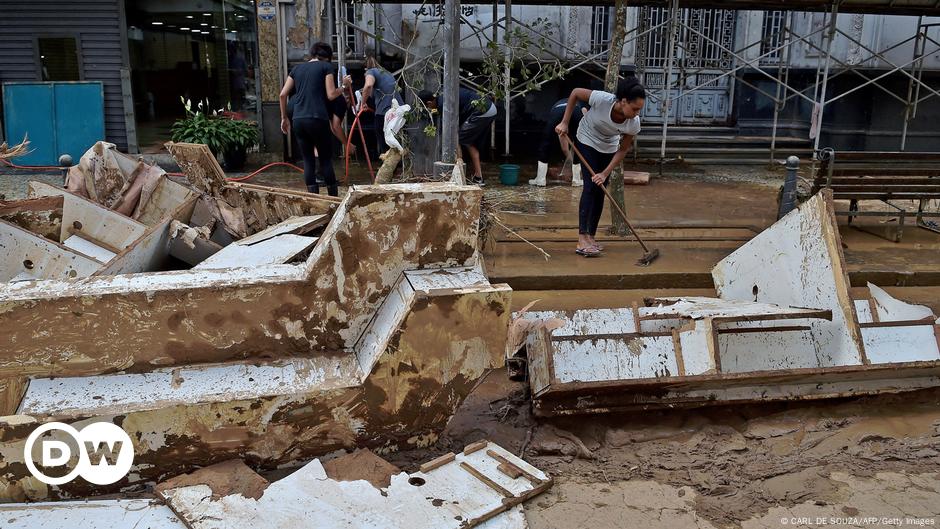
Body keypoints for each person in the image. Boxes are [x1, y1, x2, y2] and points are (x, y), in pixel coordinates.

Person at [555, 78, 645, 257]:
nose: (636, 113)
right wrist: (565, 122)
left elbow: (623, 149)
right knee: (589, 187)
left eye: (640, 110)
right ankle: (582, 239)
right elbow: (575, 92)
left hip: (609, 147)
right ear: (623, 101)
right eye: (634, 108)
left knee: (600, 189)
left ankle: (591, 236)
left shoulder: (633, 123)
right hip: (587, 138)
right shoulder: (602, 99)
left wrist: (605, 173)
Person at [278, 42, 351, 196]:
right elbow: (331, 94)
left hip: (298, 119)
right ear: (327, 57)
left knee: (308, 160)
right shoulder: (326, 67)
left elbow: (282, 94)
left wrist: (284, 118)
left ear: (312, 54)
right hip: (317, 118)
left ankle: (314, 199)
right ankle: (333, 200)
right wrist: (344, 86)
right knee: (325, 159)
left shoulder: (296, 69)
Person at [417, 87, 497, 185]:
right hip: (488, 108)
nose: (430, 109)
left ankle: (461, 174)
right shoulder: (443, 95)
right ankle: (477, 176)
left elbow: (450, 130)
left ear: (429, 103)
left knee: (456, 139)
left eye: (428, 107)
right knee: (468, 141)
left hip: (483, 111)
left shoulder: (444, 104)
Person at [530, 98, 587, 187]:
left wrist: (569, 159)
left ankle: (540, 179)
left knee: (546, 143)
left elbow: (564, 147)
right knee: (579, 145)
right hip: (575, 112)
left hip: (558, 112)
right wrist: (571, 161)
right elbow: (566, 147)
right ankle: (576, 180)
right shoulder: (582, 107)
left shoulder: (558, 107)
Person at [360, 54, 403, 156]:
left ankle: (387, 166)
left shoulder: (370, 72)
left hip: (385, 111)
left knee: (383, 140)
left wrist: (362, 103)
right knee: (395, 140)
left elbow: (369, 85)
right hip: (399, 110)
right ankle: (398, 167)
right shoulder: (386, 73)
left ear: (365, 68)